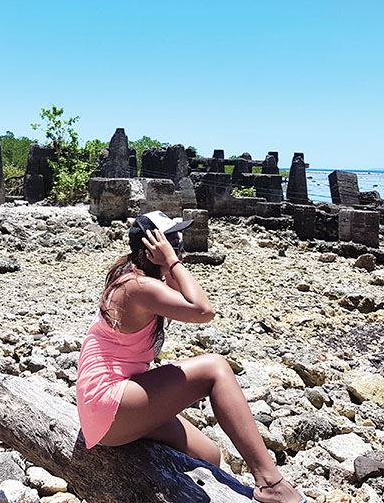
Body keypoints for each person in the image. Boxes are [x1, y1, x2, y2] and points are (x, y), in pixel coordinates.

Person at [76, 211, 306, 503]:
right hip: (108, 404)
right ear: (151, 248)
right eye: (171, 240)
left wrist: (169, 263)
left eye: (177, 241)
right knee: (215, 368)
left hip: (109, 406)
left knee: (208, 455)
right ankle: (271, 482)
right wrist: (173, 261)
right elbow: (203, 311)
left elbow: (184, 297)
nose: (178, 246)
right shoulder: (137, 287)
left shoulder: (138, 278)